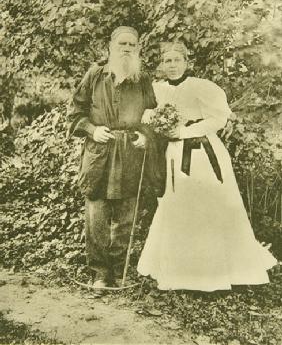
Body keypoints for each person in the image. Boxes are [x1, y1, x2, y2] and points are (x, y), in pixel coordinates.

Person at [137, 41, 277, 291]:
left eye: (176, 60)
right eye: (167, 61)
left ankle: (217, 273)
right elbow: (145, 112)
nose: (172, 66)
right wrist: (152, 121)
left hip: (201, 153)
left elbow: (218, 119)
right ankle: (181, 272)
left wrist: (184, 131)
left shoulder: (202, 87)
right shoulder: (156, 89)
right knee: (178, 206)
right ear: (161, 64)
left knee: (209, 207)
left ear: (186, 63)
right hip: (172, 154)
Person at [67, 26, 157, 288]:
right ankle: (98, 273)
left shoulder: (143, 80)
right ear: (111, 47)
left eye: (132, 44)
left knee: (126, 215)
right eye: (122, 44)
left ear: (138, 48)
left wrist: (146, 136)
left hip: (130, 152)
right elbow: (75, 113)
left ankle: (119, 271)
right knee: (97, 214)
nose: (127, 49)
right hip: (99, 153)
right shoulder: (95, 75)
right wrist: (93, 130)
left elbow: (154, 115)